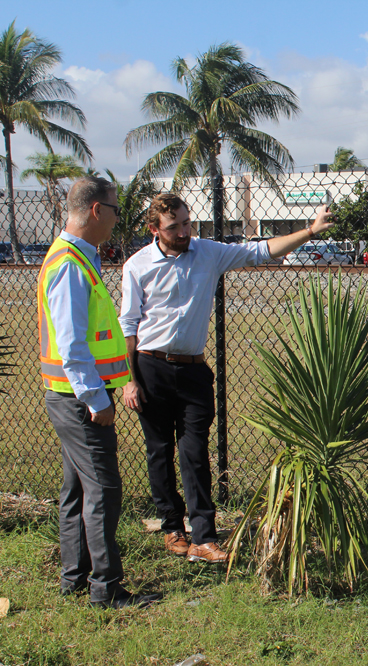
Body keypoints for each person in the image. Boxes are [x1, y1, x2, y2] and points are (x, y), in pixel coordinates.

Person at [119, 193, 334, 563]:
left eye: (188, 223)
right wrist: (129, 380)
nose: (185, 231)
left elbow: (260, 250)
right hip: (150, 366)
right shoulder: (137, 265)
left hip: (193, 370)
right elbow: (128, 325)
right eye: (175, 227)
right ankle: (173, 528)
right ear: (155, 229)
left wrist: (310, 231)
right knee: (159, 451)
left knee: (195, 453)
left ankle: (203, 537)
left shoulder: (208, 252)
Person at [38, 177, 162, 609]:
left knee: (76, 490)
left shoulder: (74, 258)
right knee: (104, 491)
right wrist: (97, 399)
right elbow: (73, 346)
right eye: (113, 210)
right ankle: (105, 589)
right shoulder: (70, 264)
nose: (115, 219)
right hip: (79, 401)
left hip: (67, 396)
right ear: (95, 211)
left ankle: (74, 578)